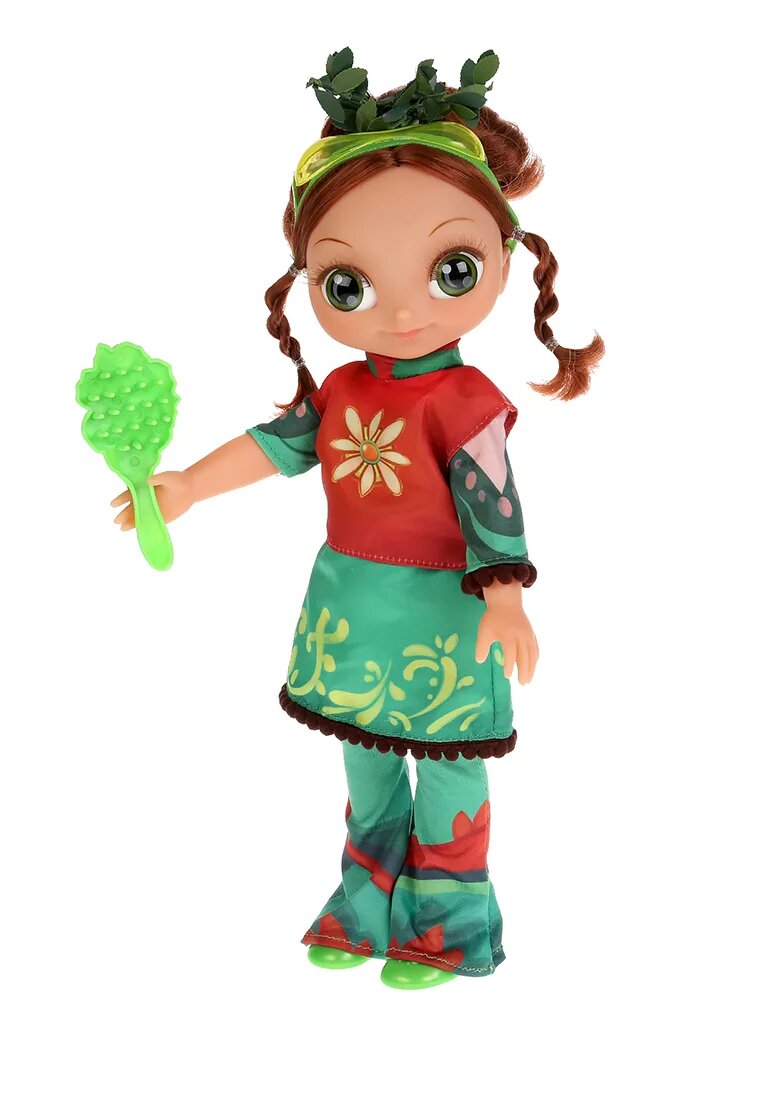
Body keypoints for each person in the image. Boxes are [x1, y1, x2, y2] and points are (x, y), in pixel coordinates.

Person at [111, 49, 604, 989]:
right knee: (365, 758)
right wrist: (184, 487)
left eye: (451, 269)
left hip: (449, 611)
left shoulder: (464, 402)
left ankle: (449, 923)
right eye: (350, 285)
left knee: (449, 766)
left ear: (505, 261)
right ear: (309, 280)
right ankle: (364, 896)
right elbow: (275, 444)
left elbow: (493, 503)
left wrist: (505, 595)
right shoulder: (340, 388)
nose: (405, 310)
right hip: (350, 603)